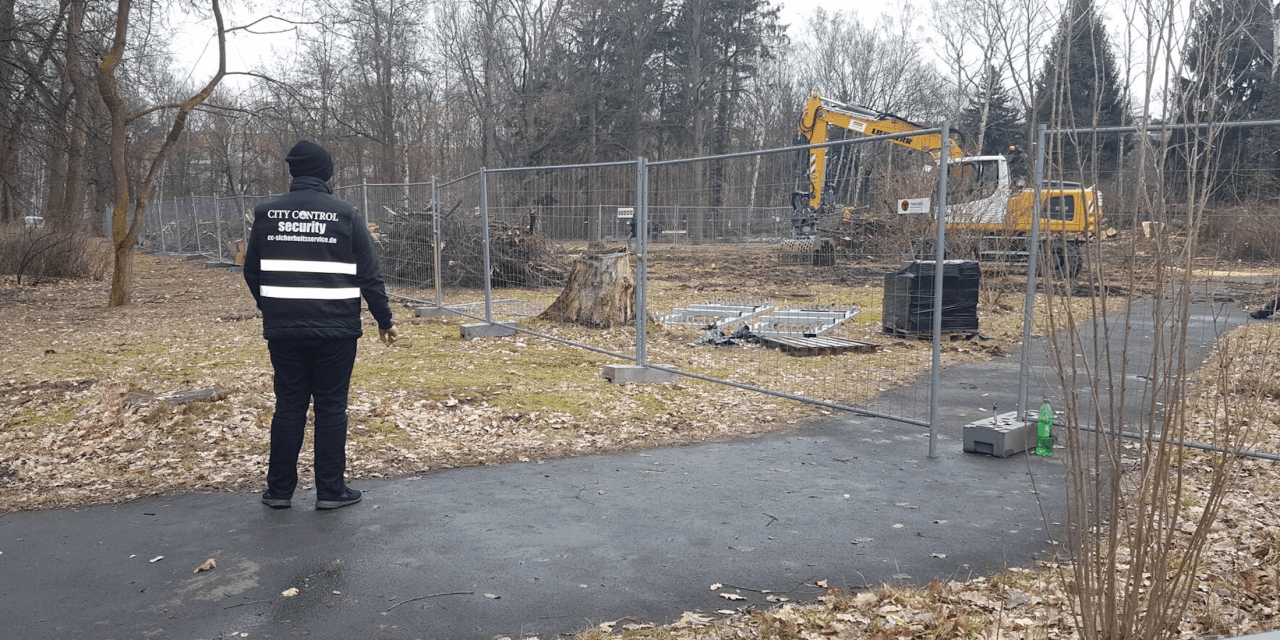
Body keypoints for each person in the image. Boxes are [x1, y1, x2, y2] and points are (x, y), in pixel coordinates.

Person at [243, 139, 399, 510]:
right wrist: (384, 320)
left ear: (294, 173)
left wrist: (273, 308)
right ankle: (330, 491)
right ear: (327, 173)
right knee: (331, 408)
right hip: (337, 330)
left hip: (284, 330)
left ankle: (279, 491)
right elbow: (370, 275)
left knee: (289, 406)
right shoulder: (345, 214)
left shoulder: (266, 214)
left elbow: (251, 271)